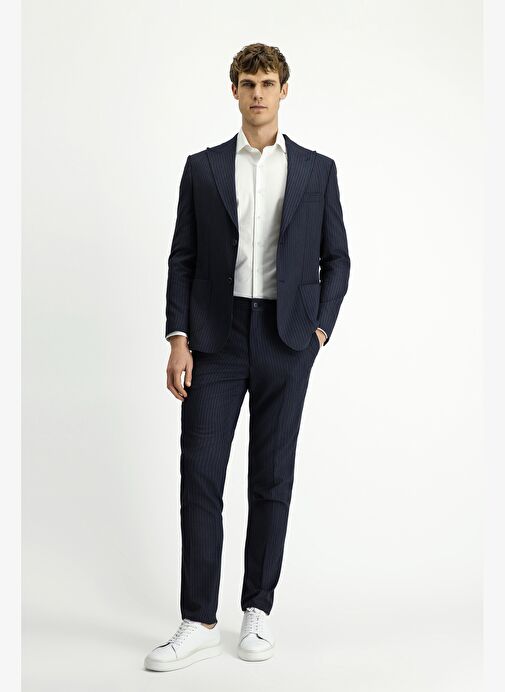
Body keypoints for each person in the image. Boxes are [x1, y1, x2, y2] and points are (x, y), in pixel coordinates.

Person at [144, 42, 350, 672]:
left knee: (271, 477)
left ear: (284, 89)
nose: (258, 93)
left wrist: (318, 333)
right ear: (233, 90)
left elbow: (337, 259)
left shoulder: (317, 170)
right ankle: (198, 620)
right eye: (247, 83)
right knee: (201, 475)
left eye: (267, 82)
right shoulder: (203, 168)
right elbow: (182, 257)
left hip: (287, 338)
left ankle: (257, 610)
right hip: (216, 336)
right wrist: (178, 337)